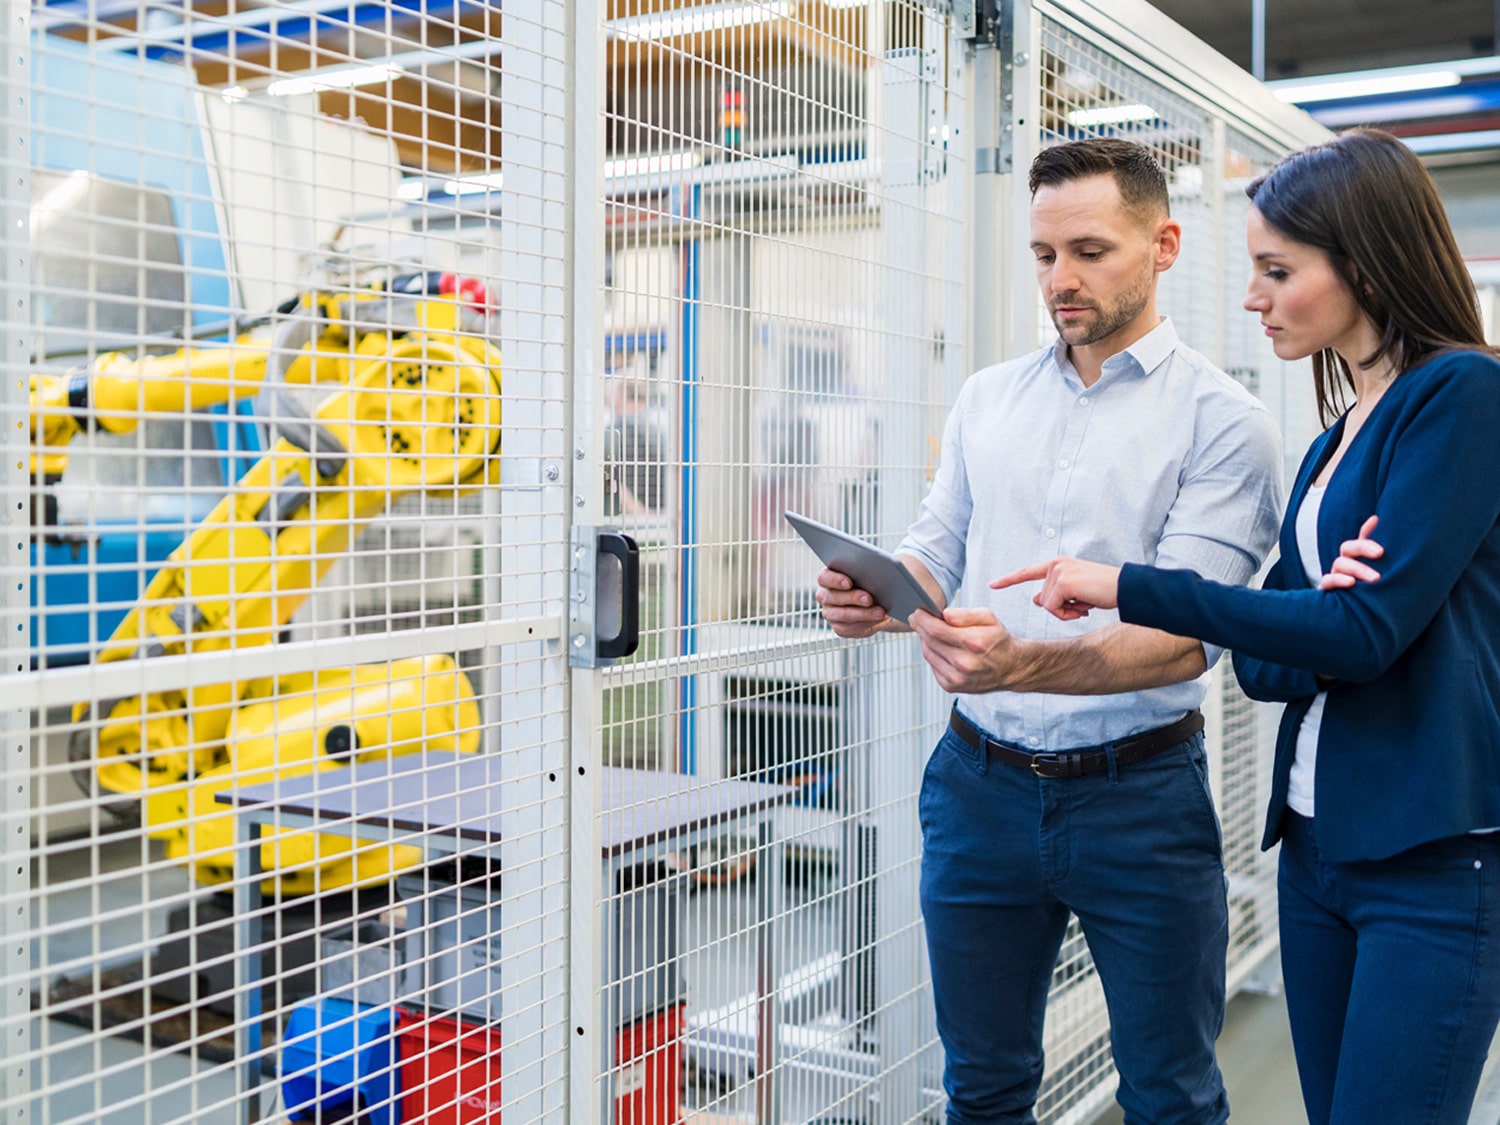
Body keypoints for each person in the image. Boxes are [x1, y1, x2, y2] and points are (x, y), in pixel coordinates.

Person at [999, 127, 1500, 1125]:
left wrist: (1132, 585)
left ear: (1364, 262)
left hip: (1434, 861)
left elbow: (1352, 637)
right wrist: (1322, 620)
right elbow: (1267, 666)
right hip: (1316, 852)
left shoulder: (1464, 394)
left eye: (1277, 270)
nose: (1252, 297)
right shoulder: (1331, 446)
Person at [816, 136, 1284, 1124]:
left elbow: (1186, 635)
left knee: (1171, 1093)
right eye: (1043, 255)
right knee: (982, 1088)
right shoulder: (991, 398)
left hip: (1141, 800)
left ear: (1164, 244)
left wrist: (1020, 661)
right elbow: (934, 554)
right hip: (979, 789)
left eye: (1089, 251)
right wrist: (874, 596)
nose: (1060, 280)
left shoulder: (1223, 422)